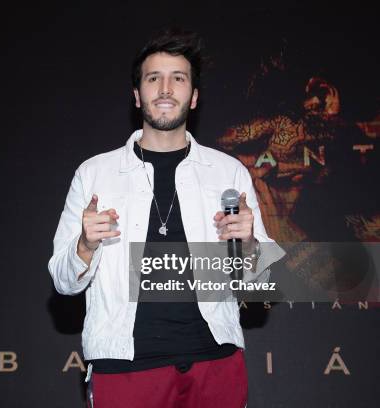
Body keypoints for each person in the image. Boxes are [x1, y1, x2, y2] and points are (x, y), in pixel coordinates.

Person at [48, 28, 284, 408]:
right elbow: (62, 280)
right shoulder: (94, 174)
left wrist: (252, 245)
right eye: (153, 78)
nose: (165, 88)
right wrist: (85, 245)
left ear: (193, 98)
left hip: (216, 363)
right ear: (137, 95)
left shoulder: (229, 172)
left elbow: (265, 285)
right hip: (125, 366)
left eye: (178, 78)